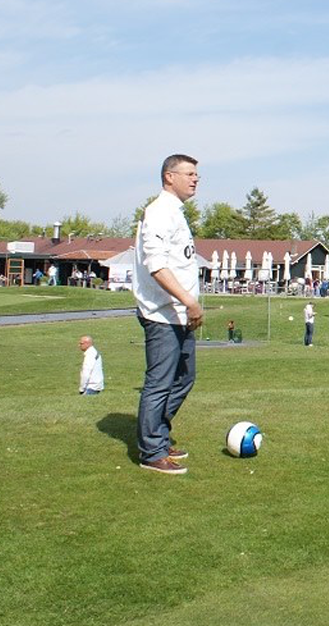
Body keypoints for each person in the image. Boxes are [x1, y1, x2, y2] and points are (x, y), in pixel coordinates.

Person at [133, 154, 203, 475]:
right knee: (159, 383)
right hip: (163, 315)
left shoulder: (176, 213)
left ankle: (159, 435)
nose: (195, 179)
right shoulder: (159, 212)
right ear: (168, 177)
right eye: (188, 174)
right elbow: (157, 265)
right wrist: (189, 300)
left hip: (179, 315)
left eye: (196, 174)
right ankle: (151, 452)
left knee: (184, 379)